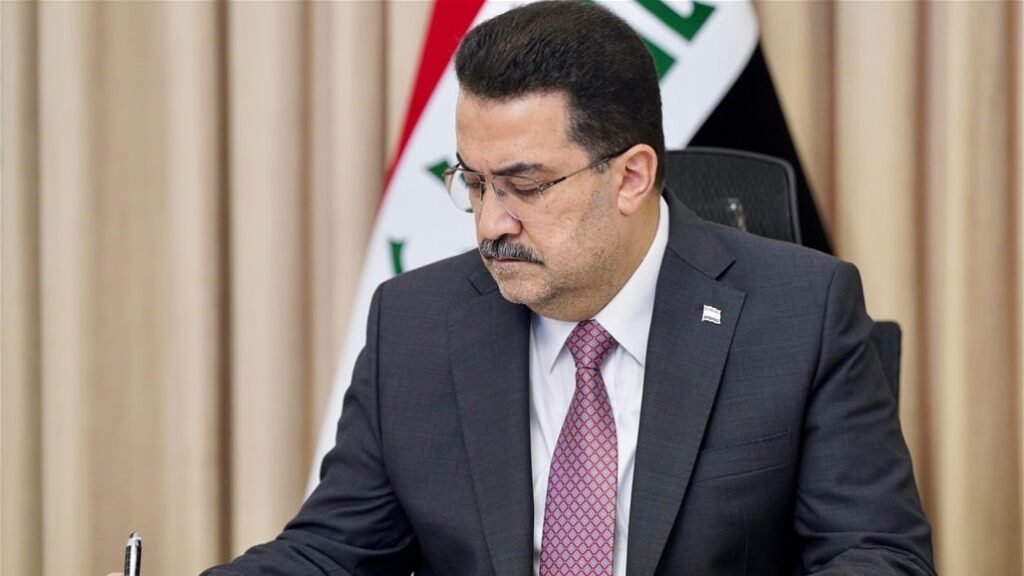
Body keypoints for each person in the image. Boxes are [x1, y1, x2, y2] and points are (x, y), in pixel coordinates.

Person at [197, 2, 935, 574]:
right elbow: (331, 553)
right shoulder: (416, 324)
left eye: (525, 186)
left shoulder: (799, 314)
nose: (492, 223)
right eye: (474, 183)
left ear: (632, 176)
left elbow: (877, 555)